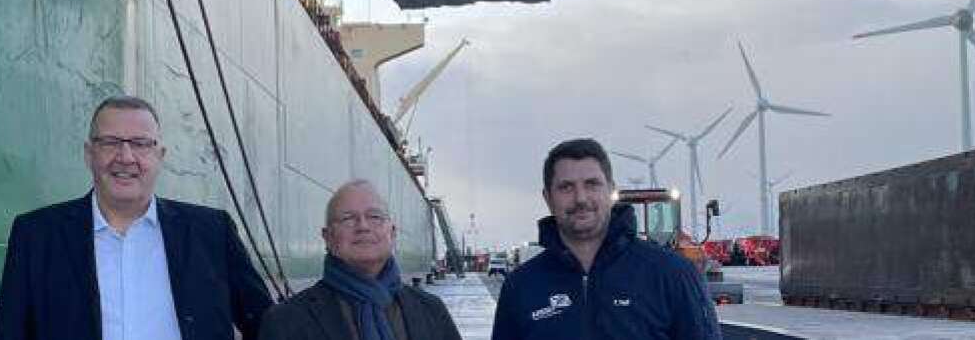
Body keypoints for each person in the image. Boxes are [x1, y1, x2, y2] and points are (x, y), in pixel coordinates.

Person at [0, 95, 273, 340]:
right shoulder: (37, 236)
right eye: (110, 142)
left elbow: (266, 326)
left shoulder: (212, 233)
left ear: (160, 155)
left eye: (140, 144)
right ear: (89, 154)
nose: (125, 157)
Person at [491, 138, 722, 339]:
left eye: (592, 184)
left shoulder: (674, 275)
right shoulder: (520, 287)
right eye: (566, 187)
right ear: (547, 197)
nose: (581, 198)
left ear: (610, 190)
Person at [258, 179, 462, 340]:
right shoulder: (285, 322)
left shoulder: (431, 310)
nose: (363, 226)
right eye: (347, 218)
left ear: (392, 233)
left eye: (375, 217)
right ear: (327, 236)